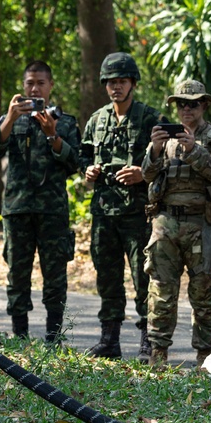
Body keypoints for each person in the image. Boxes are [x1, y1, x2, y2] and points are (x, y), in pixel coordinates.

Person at [141, 80, 211, 366]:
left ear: (204, 105)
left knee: (203, 293)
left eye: (193, 103)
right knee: (161, 290)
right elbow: (147, 174)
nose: (186, 109)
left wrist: (195, 150)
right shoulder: (166, 139)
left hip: (203, 224)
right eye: (181, 104)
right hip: (166, 224)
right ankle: (158, 354)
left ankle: (203, 357)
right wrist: (156, 150)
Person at [79, 52, 164, 361]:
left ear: (133, 84)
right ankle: (109, 340)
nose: (116, 87)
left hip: (137, 214)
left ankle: (147, 341)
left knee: (143, 277)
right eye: (111, 83)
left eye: (122, 82)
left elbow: (166, 161)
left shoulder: (149, 118)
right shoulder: (97, 120)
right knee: (107, 277)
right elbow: (83, 155)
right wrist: (87, 170)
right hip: (103, 212)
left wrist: (144, 173)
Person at [0, 60, 81, 344]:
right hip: (17, 209)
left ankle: (53, 337)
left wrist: (53, 134)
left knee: (55, 276)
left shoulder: (65, 121)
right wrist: (9, 119)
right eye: (30, 82)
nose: (35, 88)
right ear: (23, 85)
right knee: (17, 273)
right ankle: (20, 335)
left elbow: (75, 162)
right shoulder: (10, 118)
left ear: (51, 86)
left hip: (52, 210)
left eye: (41, 83)